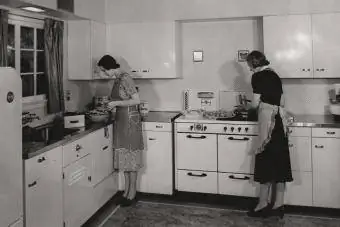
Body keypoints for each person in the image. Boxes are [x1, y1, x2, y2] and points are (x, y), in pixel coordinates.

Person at [245, 51, 293, 218]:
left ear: (254, 63)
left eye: (249, 66)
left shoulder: (257, 77)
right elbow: (282, 101)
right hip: (280, 120)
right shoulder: (274, 74)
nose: (249, 69)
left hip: (268, 121)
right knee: (280, 161)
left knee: (265, 159)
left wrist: (248, 109)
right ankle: (279, 204)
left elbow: (256, 102)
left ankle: (263, 203)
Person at [97, 55, 144, 207]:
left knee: (131, 160)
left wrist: (115, 103)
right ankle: (126, 192)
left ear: (110, 67)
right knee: (125, 159)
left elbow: (136, 100)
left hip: (130, 122)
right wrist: (111, 105)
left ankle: (133, 193)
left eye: (104, 71)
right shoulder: (117, 79)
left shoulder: (125, 78)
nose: (103, 74)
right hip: (121, 121)